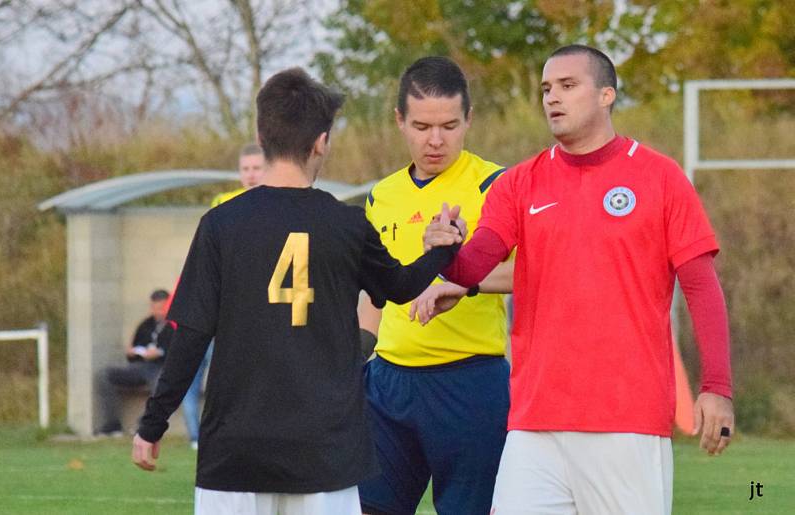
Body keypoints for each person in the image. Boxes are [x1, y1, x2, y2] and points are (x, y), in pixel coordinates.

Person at [131, 67, 464, 515]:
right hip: (325, 450)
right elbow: (401, 289)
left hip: (236, 452)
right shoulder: (346, 224)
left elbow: (189, 335)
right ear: (322, 141)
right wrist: (441, 249)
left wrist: (153, 424)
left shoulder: (221, 225)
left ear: (260, 132)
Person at [421, 45, 735, 515]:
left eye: (568, 86)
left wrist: (717, 386)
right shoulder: (520, 182)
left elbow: (701, 287)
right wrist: (444, 250)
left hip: (626, 421)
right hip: (534, 423)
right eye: (547, 88)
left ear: (606, 94)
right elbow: (472, 266)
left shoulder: (660, 177)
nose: (553, 98)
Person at [356, 56, 513, 515]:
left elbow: (534, 271)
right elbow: (374, 292)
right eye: (422, 126)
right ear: (400, 121)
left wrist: (463, 281)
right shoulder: (380, 195)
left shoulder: (495, 185)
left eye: (449, 125)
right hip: (386, 384)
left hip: (468, 383)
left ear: (469, 120)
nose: (436, 140)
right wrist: (353, 361)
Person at [181, 143, 267, 450]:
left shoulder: (275, 201)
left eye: (257, 168)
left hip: (262, 309)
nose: (251, 174)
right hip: (226, 311)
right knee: (217, 375)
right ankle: (211, 433)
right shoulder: (223, 203)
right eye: (246, 169)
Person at [96, 289, 173, 435]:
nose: (158, 312)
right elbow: (133, 352)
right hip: (141, 366)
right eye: (154, 308)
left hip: (161, 367)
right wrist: (132, 352)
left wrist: (160, 353)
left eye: (161, 308)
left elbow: (178, 353)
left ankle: (145, 425)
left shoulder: (175, 326)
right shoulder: (146, 324)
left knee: (160, 384)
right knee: (104, 375)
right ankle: (113, 424)